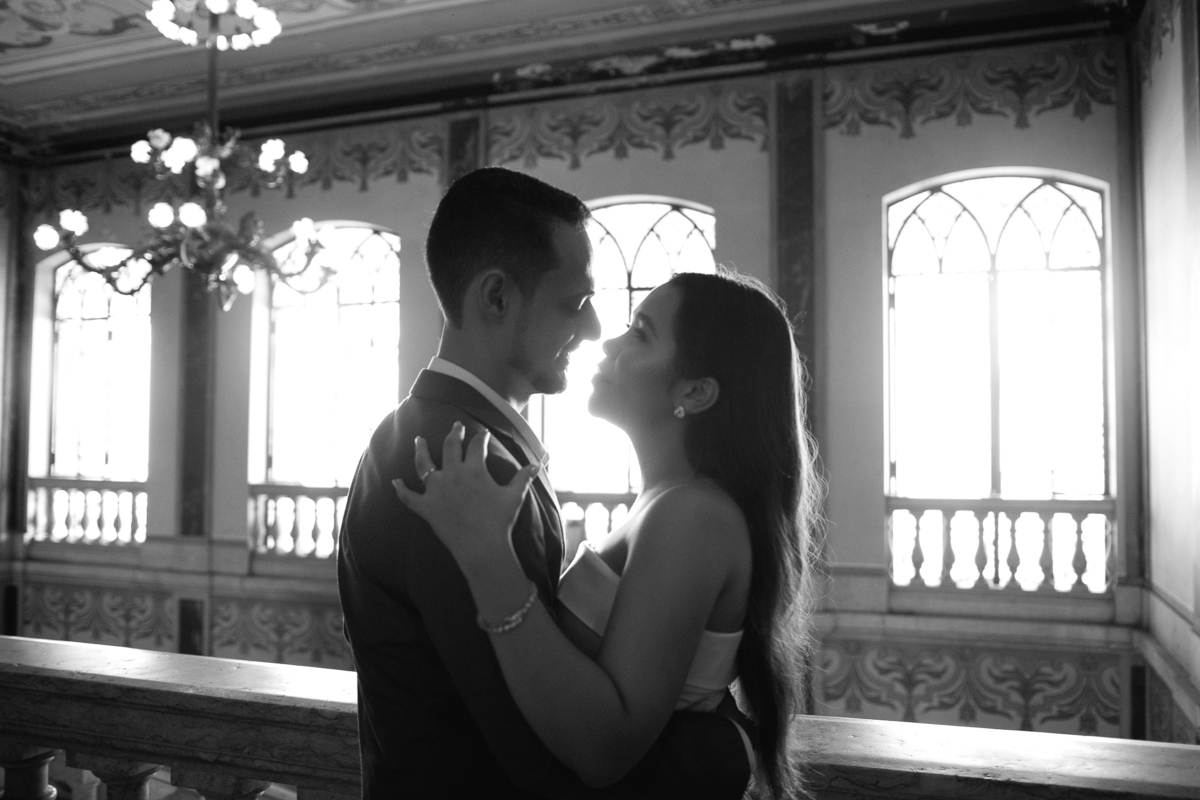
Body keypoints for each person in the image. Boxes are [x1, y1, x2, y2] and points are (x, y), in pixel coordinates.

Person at [337, 167, 753, 799]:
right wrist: (724, 750)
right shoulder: (462, 462)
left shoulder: (437, 435)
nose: (594, 330)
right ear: (496, 297)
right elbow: (537, 753)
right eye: (575, 303)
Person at [395, 269, 824, 799]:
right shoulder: (669, 502)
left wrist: (486, 555)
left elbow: (603, 749)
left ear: (695, 391)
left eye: (640, 333)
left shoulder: (693, 515)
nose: (607, 342)